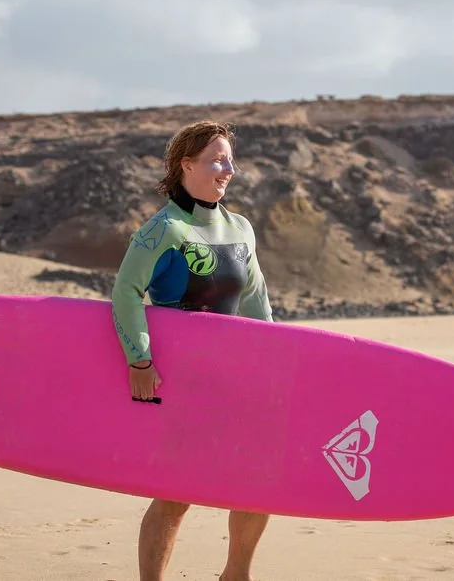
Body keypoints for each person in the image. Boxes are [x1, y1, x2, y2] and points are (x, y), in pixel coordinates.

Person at [110, 120, 274, 581]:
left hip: (237, 379)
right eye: (218, 161)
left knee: (256, 485)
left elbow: (256, 301)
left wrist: (273, 364)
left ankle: (235, 575)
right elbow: (126, 292)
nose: (229, 171)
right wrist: (139, 360)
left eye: (230, 161)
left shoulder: (240, 228)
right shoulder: (163, 229)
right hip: (185, 382)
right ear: (187, 164)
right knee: (177, 492)